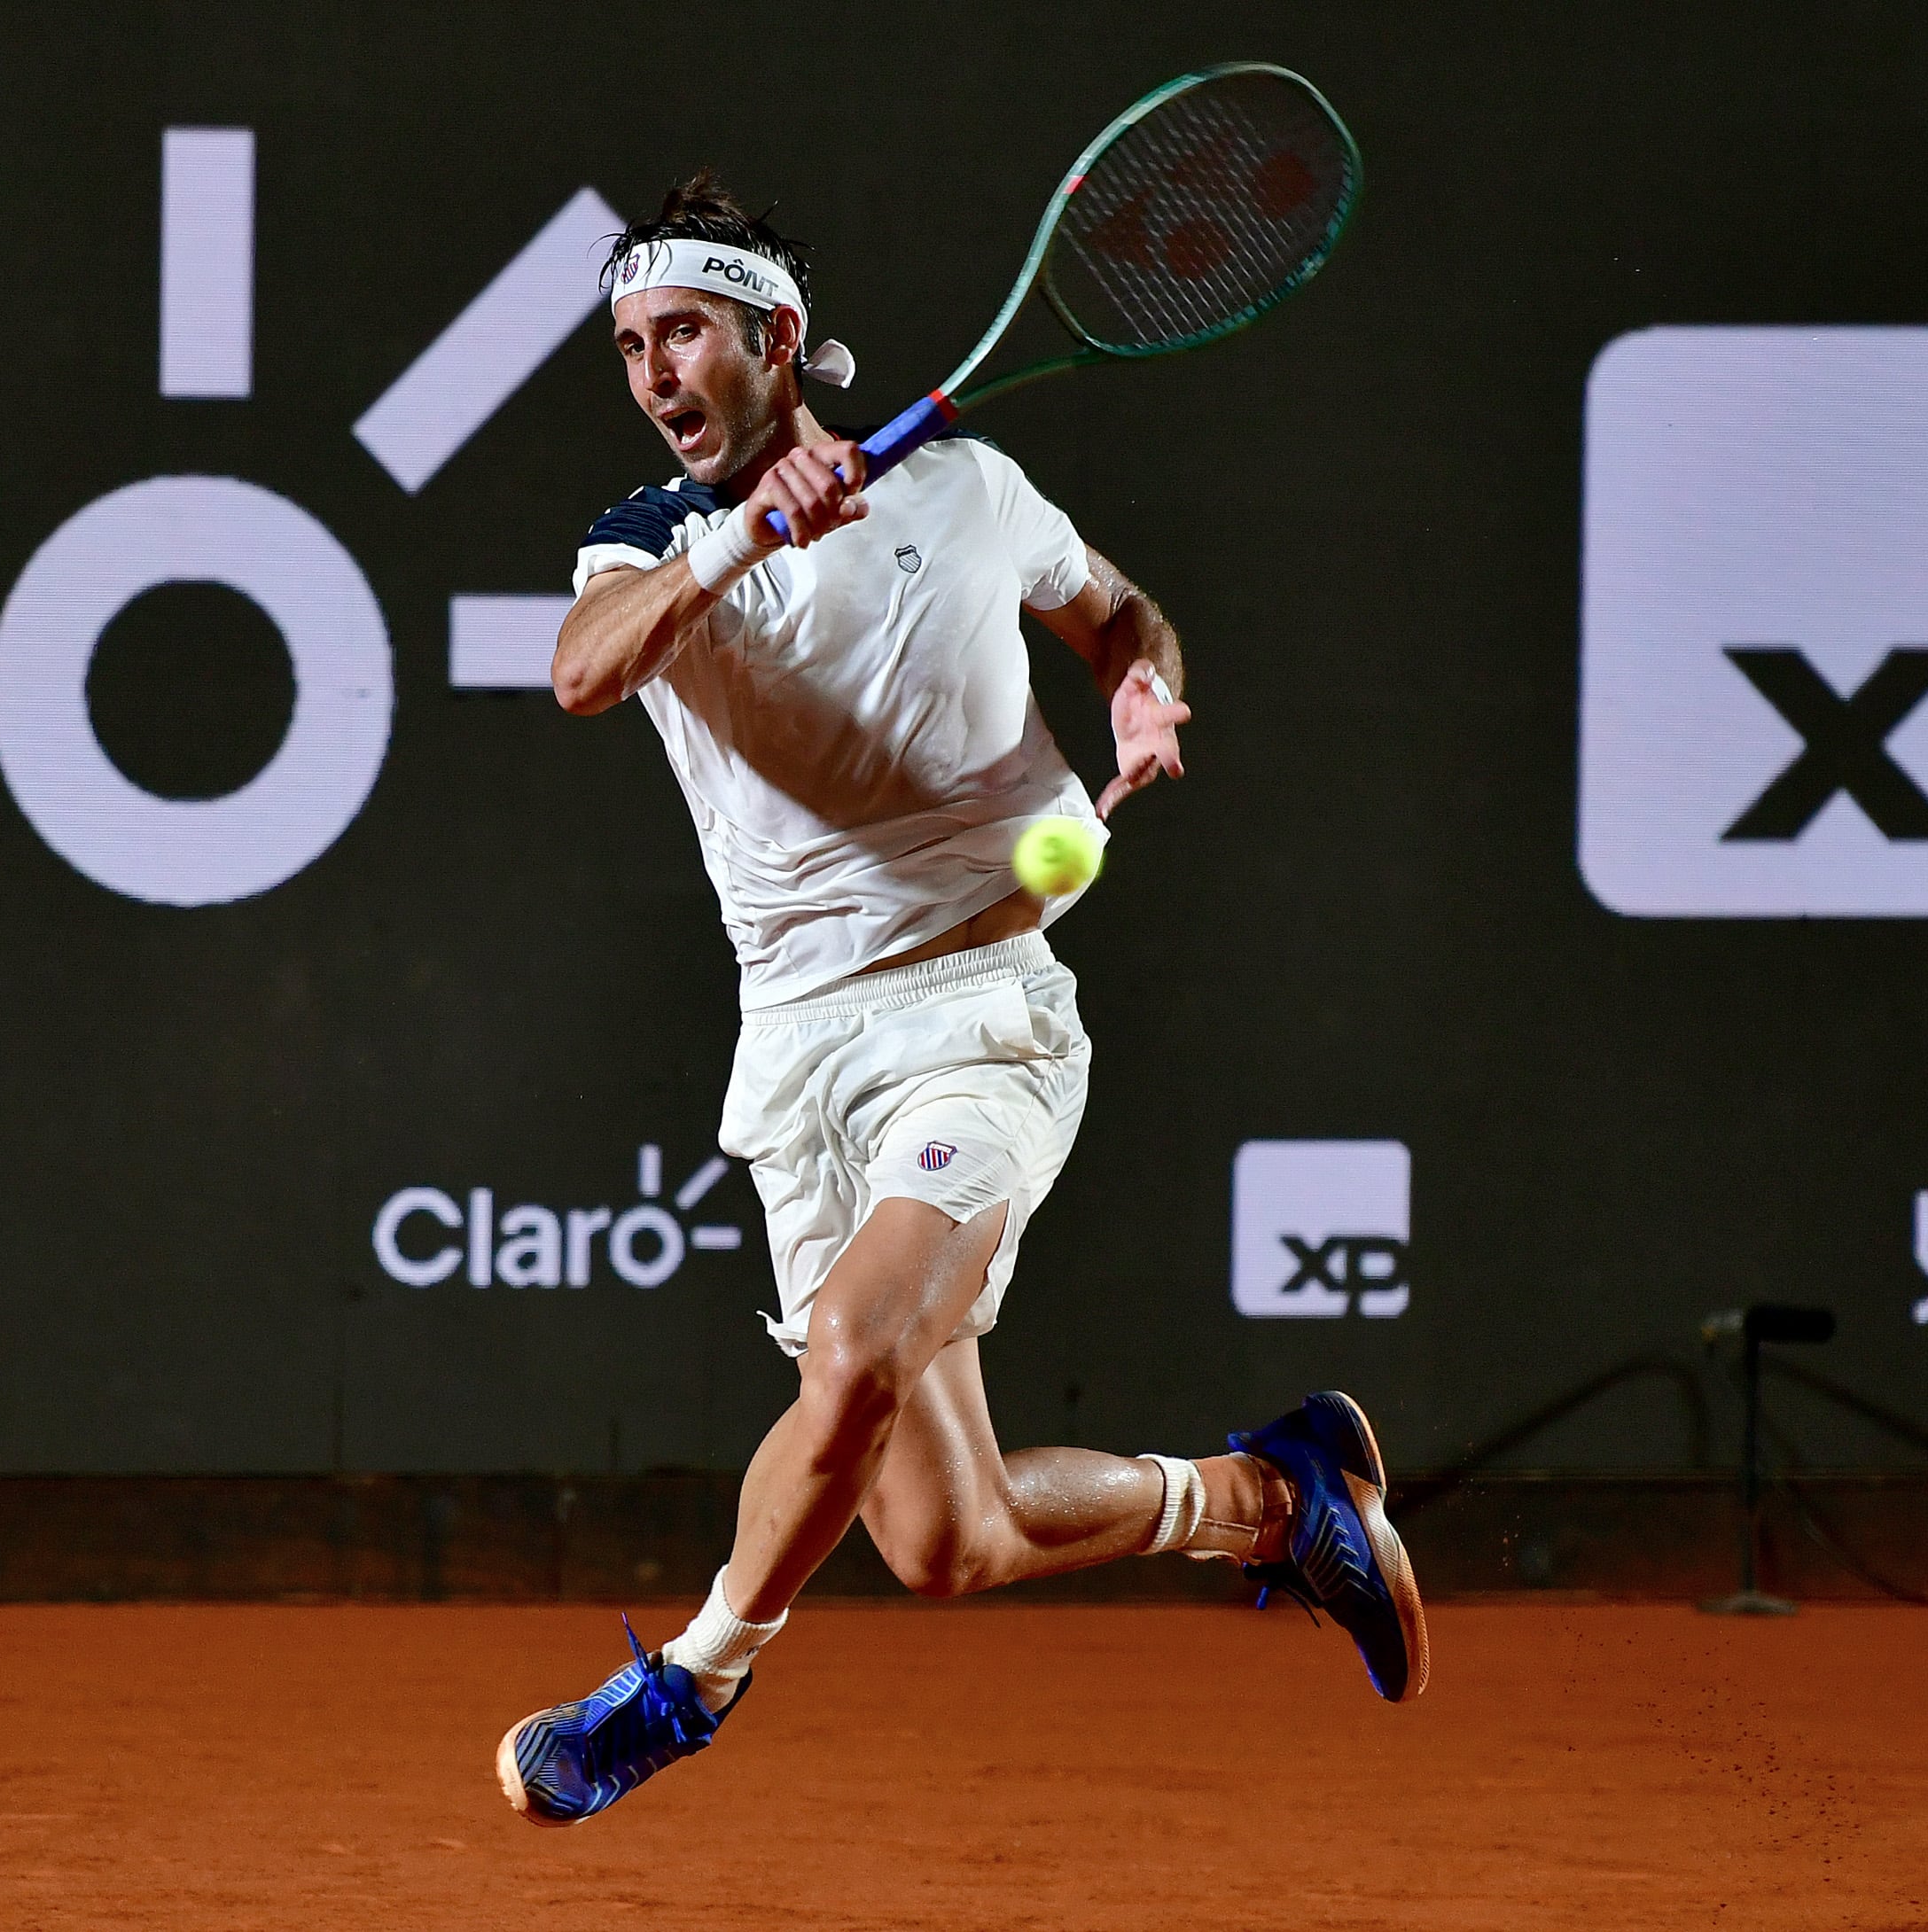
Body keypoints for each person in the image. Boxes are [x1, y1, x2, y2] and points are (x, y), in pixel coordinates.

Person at [497, 172, 1427, 1827]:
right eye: (630, 342)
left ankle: (686, 1686)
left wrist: (1145, 687)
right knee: (947, 1539)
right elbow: (583, 671)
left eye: (686, 333)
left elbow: (1118, 612)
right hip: (796, 1052)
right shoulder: (648, 541)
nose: (652, 374)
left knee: (852, 1345)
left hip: (982, 1020)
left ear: (775, 340)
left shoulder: (974, 490)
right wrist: (738, 536)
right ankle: (1272, 1505)